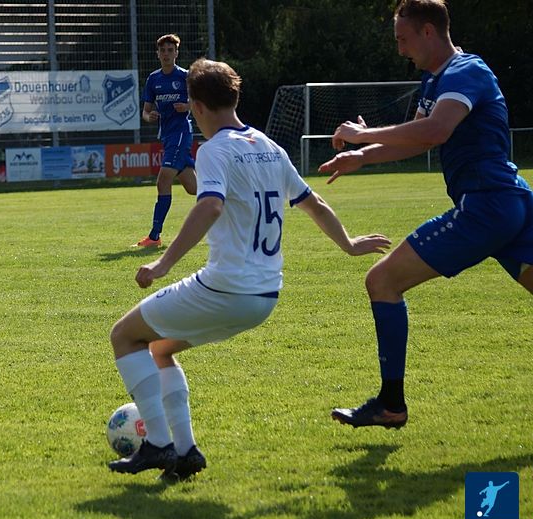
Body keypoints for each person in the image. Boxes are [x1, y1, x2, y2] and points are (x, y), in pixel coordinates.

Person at [108, 59, 391, 481]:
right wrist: (348, 244)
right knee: (161, 349)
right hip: (264, 297)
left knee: (124, 336)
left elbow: (210, 205)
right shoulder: (270, 147)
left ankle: (159, 444)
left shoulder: (214, 150)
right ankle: (185, 453)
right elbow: (313, 203)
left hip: (226, 289)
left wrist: (163, 263)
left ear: (197, 107)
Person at [319, 0, 533, 429]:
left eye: (403, 39)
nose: (400, 49)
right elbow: (419, 140)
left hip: (485, 206)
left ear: (429, 32)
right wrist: (362, 155)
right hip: (507, 203)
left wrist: (363, 134)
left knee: (381, 281)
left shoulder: (465, 71)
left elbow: (436, 130)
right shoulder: (435, 80)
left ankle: (391, 405)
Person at [134, 34, 198, 247]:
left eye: (170, 50)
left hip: (181, 134)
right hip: (167, 136)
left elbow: (200, 102)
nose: (166, 54)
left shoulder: (185, 77)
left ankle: (154, 236)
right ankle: (229, 192)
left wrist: (187, 107)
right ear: (158, 54)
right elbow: (145, 111)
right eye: (163, 50)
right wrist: (149, 116)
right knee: (194, 188)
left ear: (176, 53)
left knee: (163, 181)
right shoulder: (153, 79)